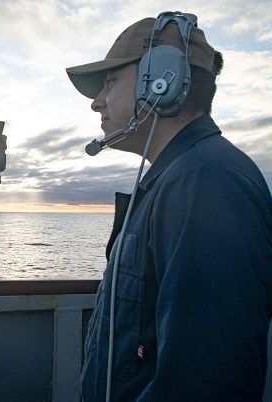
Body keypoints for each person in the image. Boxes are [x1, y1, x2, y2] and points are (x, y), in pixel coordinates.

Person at [66, 11, 272, 402]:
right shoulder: (178, 178)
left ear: (162, 79)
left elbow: (204, 380)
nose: (97, 102)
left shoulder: (205, 183)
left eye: (109, 81)